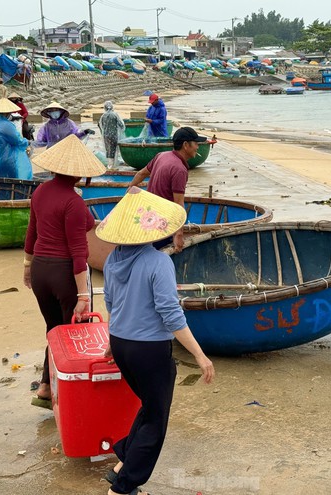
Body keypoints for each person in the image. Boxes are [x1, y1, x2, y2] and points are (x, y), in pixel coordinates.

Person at [96, 187, 215, 495]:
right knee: (156, 419)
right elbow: (171, 316)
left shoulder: (112, 259)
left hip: (122, 344)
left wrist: (112, 339)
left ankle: (123, 459)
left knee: (150, 407)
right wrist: (200, 356)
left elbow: (112, 302)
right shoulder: (157, 262)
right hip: (149, 350)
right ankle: (124, 487)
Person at [23, 135, 107, 402]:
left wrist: (27, 266)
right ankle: (58, 387)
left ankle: (47, 385)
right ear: (81, 174)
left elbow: (32, 231)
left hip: (39, 270)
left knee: (53, 328)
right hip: (63, 274)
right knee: (72, 333)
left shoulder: (41, 192)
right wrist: (83, 295)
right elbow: (78, 251)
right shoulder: (74, 202)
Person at [127, 127, 207, 252]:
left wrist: (130, 189)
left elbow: (141, 174)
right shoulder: (179, 170)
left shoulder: (161, 156)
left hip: (148, 218)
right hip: (162, 224)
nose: (197, 147)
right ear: (186, 145)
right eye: (196, 144)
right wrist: (179, 234)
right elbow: (178, 205)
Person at [0, 98, 32, 180]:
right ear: (8, 112)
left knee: (1, 181)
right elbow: (17, 141)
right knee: (13, 181)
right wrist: (26, 142)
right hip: (9, 159)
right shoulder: (6, 125)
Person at [98, 100, 126, 168]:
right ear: (112, 107)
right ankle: (113, 165)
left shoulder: (103, 116)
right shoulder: (115, 115)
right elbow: (121, 125)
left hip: (106, 136)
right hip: (114, 135)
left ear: (105, 107)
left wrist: (104, 132)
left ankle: (109, 165)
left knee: (108, 150)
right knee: (113, 150)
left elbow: (100, 125)